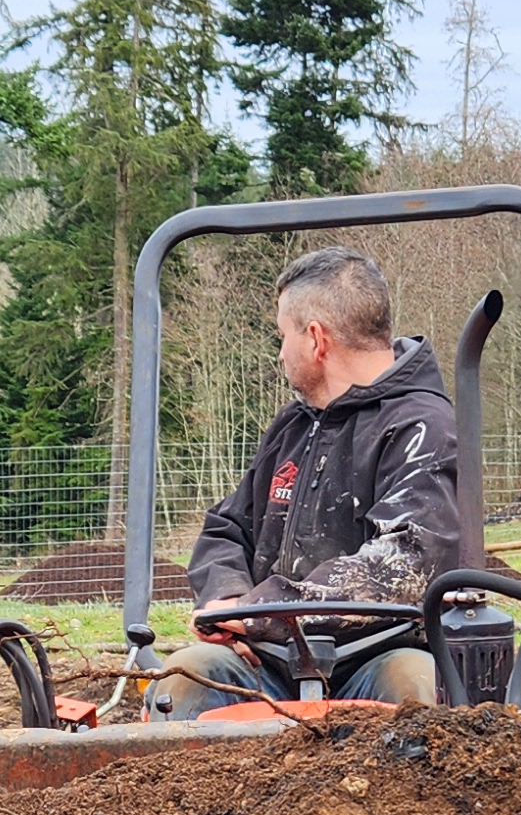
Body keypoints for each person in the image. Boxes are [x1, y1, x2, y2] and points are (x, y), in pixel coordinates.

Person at [149, 246, 472, 716]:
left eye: (283, 336)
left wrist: (259, 613)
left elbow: (403, 566)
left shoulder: (422, 426)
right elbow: (228, 528)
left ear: (316, 339)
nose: (280, 353)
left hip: (377, 653)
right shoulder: (294, 426)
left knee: (416, 687)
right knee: (184, 679)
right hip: (270, 661)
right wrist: (229, 599)